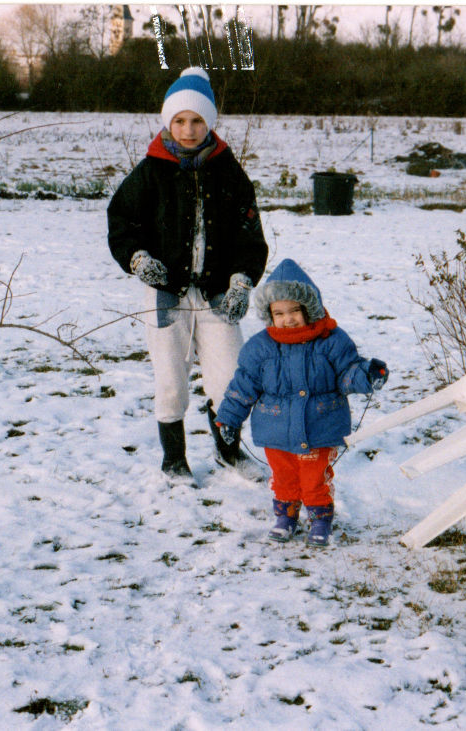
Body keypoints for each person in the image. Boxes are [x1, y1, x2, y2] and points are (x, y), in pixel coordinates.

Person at [108, 67, 268, 487]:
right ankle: (174, 461)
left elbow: (250, 235)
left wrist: (242, 281)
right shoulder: (150, 170)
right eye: (179, 120)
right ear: (168, 121)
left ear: (209, 122)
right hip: (167, 296)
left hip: (217, 294)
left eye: (197, 120)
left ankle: (228, 453)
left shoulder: (229, 171)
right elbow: (120, 220)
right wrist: (138, 259)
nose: (188, 129)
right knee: (171, 380)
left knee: (229, 379)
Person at [213, 259, 388, 547]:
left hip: (319, 427)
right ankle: (286, 516)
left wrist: (367, 375)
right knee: (283, 478)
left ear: (310, 309)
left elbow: (347, 373)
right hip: (276, 430)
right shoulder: (260, 348)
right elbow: (243, 385)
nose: (288, 319)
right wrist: (229, 418)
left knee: (314, 479)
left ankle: (320, 519)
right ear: (269, 314)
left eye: (295, 310)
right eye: (279, 312)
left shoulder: (331, 340)